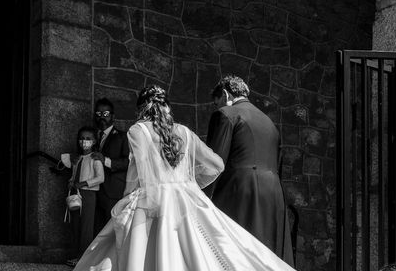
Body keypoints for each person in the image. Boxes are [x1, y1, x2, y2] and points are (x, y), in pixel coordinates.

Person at [72, 85, 296, 271]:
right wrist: (189, 184)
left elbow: (135, 176)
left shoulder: (138, 130)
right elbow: (217, 165)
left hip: (149, 200)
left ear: (143, 108)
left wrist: (126, 202)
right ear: (167, 107)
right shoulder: (185, 132)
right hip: (186, 197)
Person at [205, 75, 294, 264]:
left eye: (217, 102)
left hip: (240, 191)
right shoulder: (270, 123)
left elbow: (215, 163)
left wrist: (202, 197)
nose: (218, 107)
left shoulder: (226, 114)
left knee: (234, 253)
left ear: (225, 94)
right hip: (274, 194)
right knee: (267, 255)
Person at [62, 126, 105, 267]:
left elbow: (100, 178)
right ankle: (75, 255)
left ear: (94, 142)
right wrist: (71, 183)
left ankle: (83, 258)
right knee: (75, 225)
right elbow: (73, 176)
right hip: (76, 194)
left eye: (88, 139)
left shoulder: (95, 158)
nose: (84, 141)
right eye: (81, 138)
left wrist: (84, 183)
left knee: (86, 226)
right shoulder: (77, 159)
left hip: (89, 194)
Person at [90, 98, 129, 234]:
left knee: (110, 232)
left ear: (113, 116)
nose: (102, 117)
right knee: (94, 231)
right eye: (98, 114)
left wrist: (105, 160)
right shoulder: (90, 136)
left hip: (112, 192)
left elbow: (128, 162)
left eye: (105, 114)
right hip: (92, 191)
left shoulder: (123, 137)